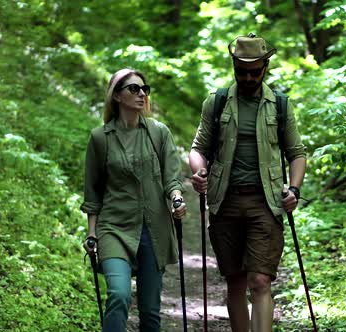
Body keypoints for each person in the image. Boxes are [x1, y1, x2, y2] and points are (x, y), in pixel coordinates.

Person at [189, 34, 306, 332]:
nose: (248, 77)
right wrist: (199, 172)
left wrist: (293, 189)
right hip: (224, 201)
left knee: (260, 280)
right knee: (236, 281)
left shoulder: (279, 105)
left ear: (265, 67)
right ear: (234, 67)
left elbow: (296, 154)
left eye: (255, 71)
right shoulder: (216, 103)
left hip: (265, 202)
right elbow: (198, 148)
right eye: (242, 71)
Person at [81, 68, 187, 331]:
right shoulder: (100, 138)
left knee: (150, 311)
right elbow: (92, 193)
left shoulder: (158, 132)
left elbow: (172, 178)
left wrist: (176, 198)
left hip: (154, 229)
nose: (142, 94)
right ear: (116, 96)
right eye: (133, 89)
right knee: (118, 295)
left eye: (144, 89)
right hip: (114, 228)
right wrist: (91, 233)